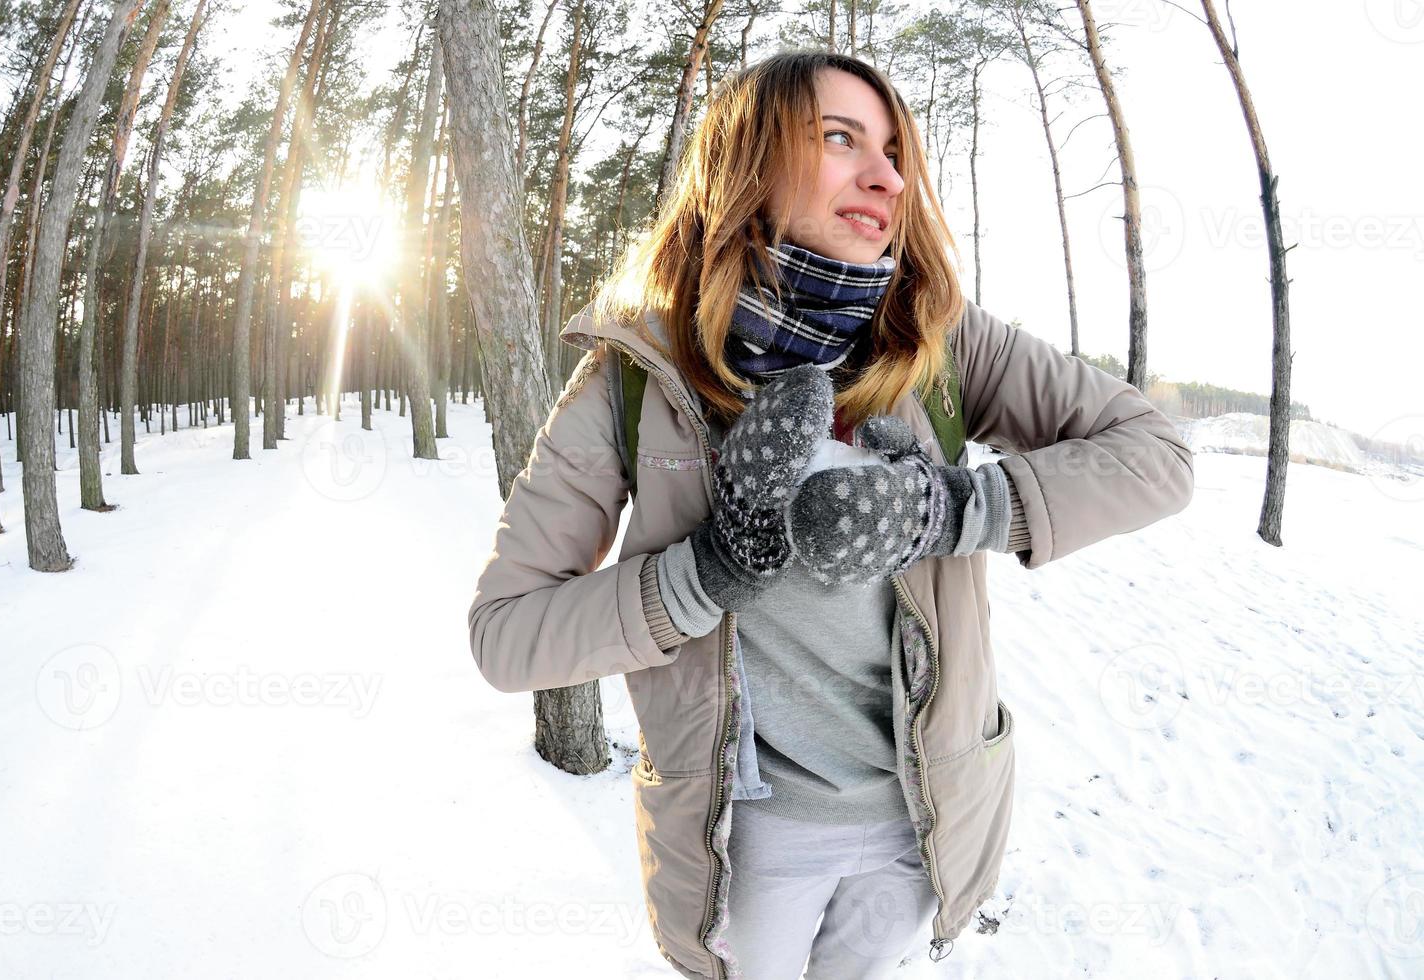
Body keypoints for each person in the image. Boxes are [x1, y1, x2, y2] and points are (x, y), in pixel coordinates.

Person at [469, 49, 1194, 980]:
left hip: (920, 826)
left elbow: (1158, 457)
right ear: (746, 164)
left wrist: (952, 509)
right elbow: (505, 636)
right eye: (840, 139)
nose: (886, 175)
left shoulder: (942, 342)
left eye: (894, 150)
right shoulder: (635, 379)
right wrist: (702, 576)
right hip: (745, 848)